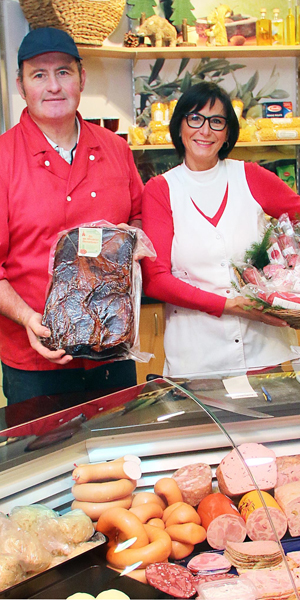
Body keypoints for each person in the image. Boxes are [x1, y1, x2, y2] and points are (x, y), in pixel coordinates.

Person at [0, 27, 143, 405]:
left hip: (113, 351)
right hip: (35, 362)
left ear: (82, 77)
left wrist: (136, 246)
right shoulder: (3, 158)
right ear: (20, 85)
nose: (53, 86)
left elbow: (139, 216)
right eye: (39, 75)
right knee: (45, 460)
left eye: (63, 72)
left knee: (119, 457)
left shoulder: (115, 148)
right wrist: (28, 318)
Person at [142, 81, 300, 378]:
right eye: (195, 118)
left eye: (216, 121)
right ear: (179, 127)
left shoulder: (250, 176)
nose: (205, 130)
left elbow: (297, 214)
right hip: (198, 359)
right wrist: (229, 305)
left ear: (228, 133)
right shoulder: (161, 190)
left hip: (263, 351)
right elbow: (156, 280)